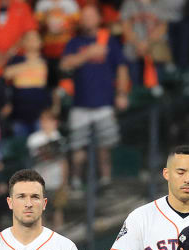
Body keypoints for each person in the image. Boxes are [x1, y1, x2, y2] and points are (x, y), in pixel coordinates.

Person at [60, 5, 129, 187]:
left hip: (104, 103)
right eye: (85, 16)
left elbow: (121, 68)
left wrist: (122, 93)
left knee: (104, 146)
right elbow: (65, 64)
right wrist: (88, 54)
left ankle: (106, 180)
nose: (88, 20)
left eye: (91, 16)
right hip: (80, 103)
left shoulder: (110, 41)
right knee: (77, 146)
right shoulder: (74, 42)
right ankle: (76, 180)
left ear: (98, 19)